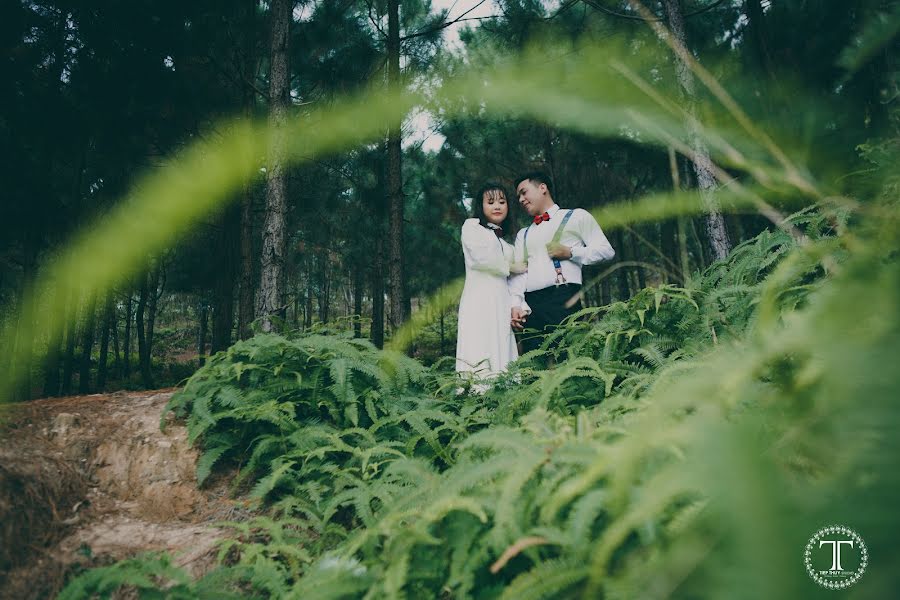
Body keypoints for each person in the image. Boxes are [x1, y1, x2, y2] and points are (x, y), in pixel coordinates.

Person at [510, 171, 615, 354]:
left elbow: (606, 251)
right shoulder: (523, 234)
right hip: (531, 307)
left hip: (563, 299)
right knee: (535, 367)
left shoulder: (576, 216)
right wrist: (516, 304)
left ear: (542, 188)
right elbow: (520, 273)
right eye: (518, 196)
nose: (520, 199)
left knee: (570, 359)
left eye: (524, 192)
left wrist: (570, 252)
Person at [456, 183, 524, 385]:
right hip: (478, 300)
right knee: (479, 344)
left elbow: (515, 282)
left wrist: (517, 305)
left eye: (502, 202)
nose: (497, 206)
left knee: (502, 344)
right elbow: (480, 259)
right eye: (491, 202)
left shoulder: (508, 245)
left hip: (501, 302)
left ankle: (505, 394)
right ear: (481, 206)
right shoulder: (472, 227)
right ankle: (476, 398)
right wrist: (512, 266)